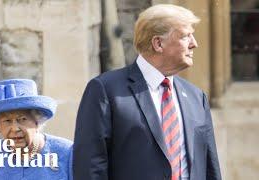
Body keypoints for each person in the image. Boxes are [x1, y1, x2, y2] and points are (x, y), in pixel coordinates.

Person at [73, 4, 221, 180]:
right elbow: (90, 167)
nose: (194, 44)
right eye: (185, 36)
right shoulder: (105, 90)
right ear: (158, 43)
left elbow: (210, 168)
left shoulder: (197, 97)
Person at [0, 79, 73, 180]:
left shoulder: (67, 152)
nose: (15, 129)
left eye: (22, 119)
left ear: (37, 121)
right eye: (7, 121)